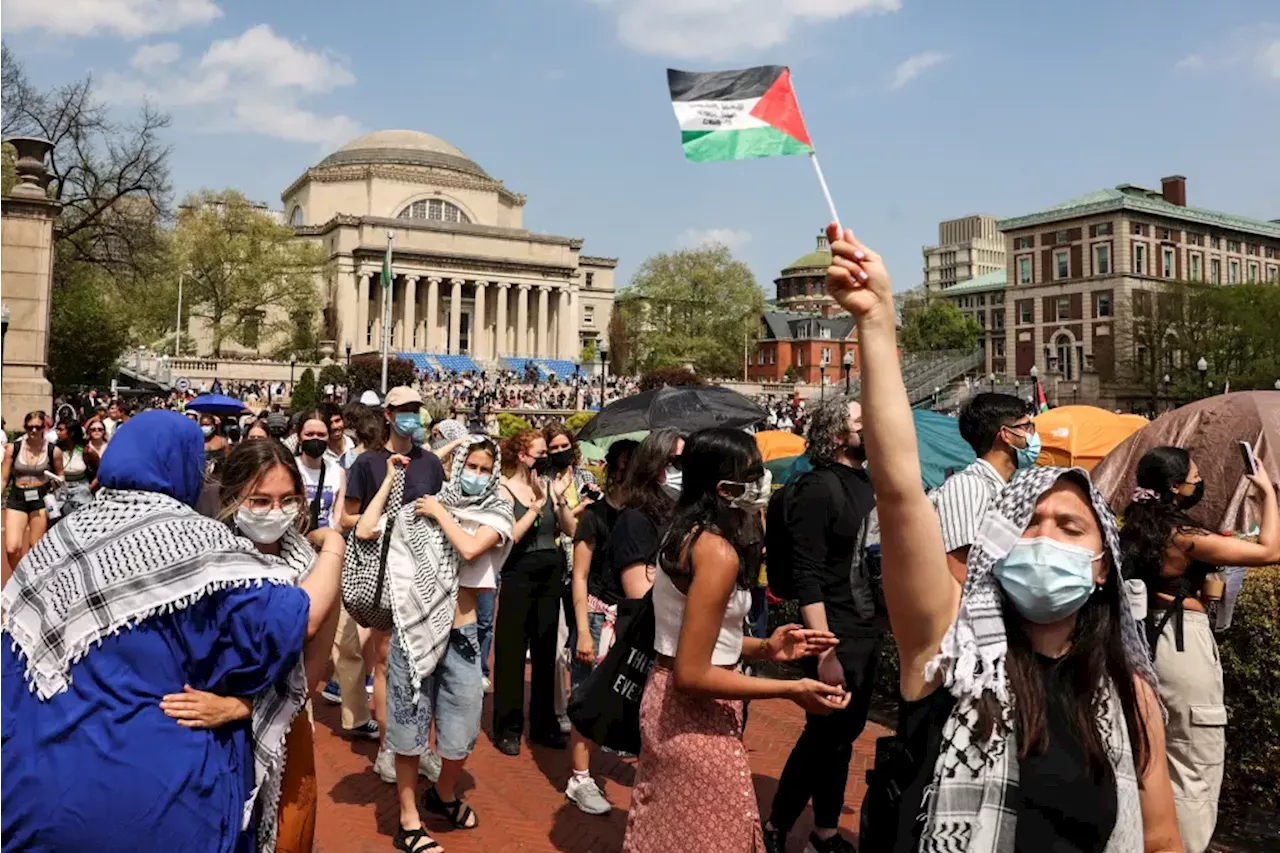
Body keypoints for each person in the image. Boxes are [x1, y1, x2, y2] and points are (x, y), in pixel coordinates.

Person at [823, 223, 1180, 853]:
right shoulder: (947, 655)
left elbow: (1160, 839)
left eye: (1069, 527)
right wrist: (877, 321)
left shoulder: (1132, 697)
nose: (1042, 538)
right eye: (1025, 524)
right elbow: (901, 488)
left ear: (1103, 566)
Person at [0, 411, 341, 853]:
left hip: (35, 784)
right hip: (155, 795)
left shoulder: (66, 539)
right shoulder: (197, 546)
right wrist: (334, 549)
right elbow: (296, 620)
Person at [621, 428, 845, 853]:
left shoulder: (682, 531)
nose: (763, 481)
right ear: (724, 487)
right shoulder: (716, 552)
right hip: (693, 714)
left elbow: (689, 640)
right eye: (754, 473)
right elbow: (693, 672)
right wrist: (792, 689)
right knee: (714, 834)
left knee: (674, 833)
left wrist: (764, 648)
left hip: (669, 701)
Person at [357, 436, 515, 852]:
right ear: (457, 463)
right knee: (409, 727)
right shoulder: (427, 504)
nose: (477, 474)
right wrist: (391, 481)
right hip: (414, 631)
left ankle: (443, 792)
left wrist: (441, 512)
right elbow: (366, 528)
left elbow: (468, 548)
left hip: (462, 635)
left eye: (485, 468)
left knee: (462, 729)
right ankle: (408, 820)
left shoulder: (496, 510)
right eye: (471, 465)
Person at [1120, 446, 1280, 852]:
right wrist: (1267, 494)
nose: (1199, 482)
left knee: (1152, 757)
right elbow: (1270, 550)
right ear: (1174, 487)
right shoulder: (1183, 536)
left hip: (1142, 639)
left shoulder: (1136, 525)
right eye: (1194, 476)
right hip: (1180, 643)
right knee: (1193, 761)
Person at [764, 394, 880, 853]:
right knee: (824, 734)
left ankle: (825, 831)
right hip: (834, 631)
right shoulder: (817, 488)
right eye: (859, 420)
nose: (867, 426)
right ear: (836, 435)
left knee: (842, 736)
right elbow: (807, 575)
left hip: (865, 626)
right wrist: (824, 650)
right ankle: (776, 826)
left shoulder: (866, 482)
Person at [343, 386, 446, 783]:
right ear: (388, 414)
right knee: (386, 661)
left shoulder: (431, 464)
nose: (411, 416)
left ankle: (419, 745)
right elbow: (349, 519)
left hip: (424, 571)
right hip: (385, 571)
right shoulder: (368, 464)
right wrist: (390, 523)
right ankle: (389, 746)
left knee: (425, 663)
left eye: (416, 410)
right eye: (404, 410)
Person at [491, 428, 577, 756]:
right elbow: (508, 534)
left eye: (546, 454)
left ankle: (543, 724)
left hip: (551, 569)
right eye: (538, 454)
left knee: (545, 650)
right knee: (512, 651)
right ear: (521, 455)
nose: (544, 459)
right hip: (518, 571)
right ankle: (508, 727)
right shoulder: (504, 489)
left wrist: (558, 499)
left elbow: (569, 529)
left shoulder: (550, 485)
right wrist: (536, 505)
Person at [564, 437, 637, 815]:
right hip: (595, 612)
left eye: (634, 463)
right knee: (585, 694)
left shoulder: (645, 516)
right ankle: (580, 776)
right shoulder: (593, 516)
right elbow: (580, 576)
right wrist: (583, 628)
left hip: (631, 616)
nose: (627, 471)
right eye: (621, 463)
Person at [929, 393, 1039, 583]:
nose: (1033, 435)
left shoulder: (1004, 487)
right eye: (1027, 427)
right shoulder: (968, 486)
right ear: (1006, 435)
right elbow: (960, 570)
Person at [606, 429, 683, 601]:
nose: (682, 470)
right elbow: (639, 594)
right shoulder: (634, 520)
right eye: (675, 462)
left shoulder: (683, 515)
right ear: (654, 466)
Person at [1, 410, 65, 572]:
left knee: (35, 546)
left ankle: (31, 578)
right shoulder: (13, 449)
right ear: (25, 427)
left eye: (38, 427)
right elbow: (3, 478)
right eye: (30, 427)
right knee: (12, 547)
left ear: (45, 427)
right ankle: (19, 577)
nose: (34, 431)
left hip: (41, 499)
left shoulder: (53, 451)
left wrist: (58, 482)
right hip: (17, 497)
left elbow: (60, 474)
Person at [293, 410, 347, 533]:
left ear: (328, 438)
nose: (315, 438)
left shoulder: (337, 472)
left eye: (321, 434)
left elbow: (337, 518)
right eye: (309, 434)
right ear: (299, 438)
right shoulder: (289, 468)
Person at [53, 419, 92, 518]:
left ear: (71, 433)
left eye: (61, 430)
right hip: (61, 491)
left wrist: (89, 488)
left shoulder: (86, 451)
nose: (57, 432)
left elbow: (100, 471)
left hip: (81, 490)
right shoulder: (55, 450)